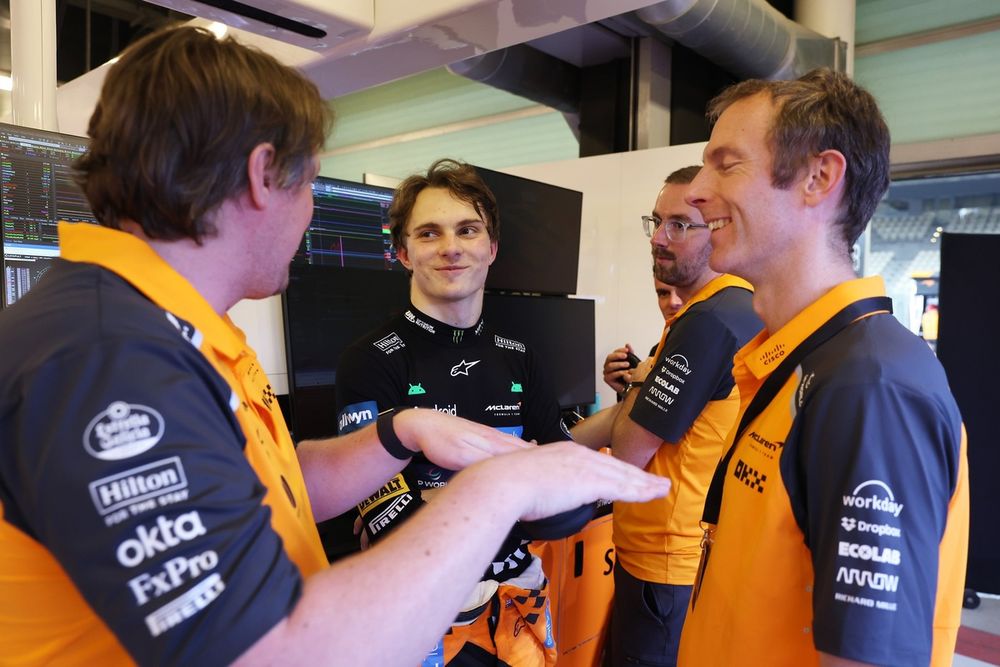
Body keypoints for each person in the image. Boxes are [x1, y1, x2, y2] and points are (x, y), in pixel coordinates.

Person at [0, 27, 671, 666]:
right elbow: (271, 650)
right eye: (311, 182)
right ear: (264, 176)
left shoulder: (175, 327)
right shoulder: (108, 357)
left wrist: (399, 432)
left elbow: (279, 486)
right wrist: (501, 489)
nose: (313, 209)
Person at [677, 68, 969, 667]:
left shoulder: (867, 388)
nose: (697, 191)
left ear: (818, 178)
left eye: (726, 164)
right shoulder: (798, 363)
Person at [335, 158, 572, 665]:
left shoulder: (521, 356)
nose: (450, 247)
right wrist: (515, 496)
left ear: (491, 248)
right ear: (403, 253)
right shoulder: (369, 359)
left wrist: (445, 499)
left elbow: (566, 497)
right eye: (428, 233)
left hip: (518, 602)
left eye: (467, 230)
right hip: (418, 613)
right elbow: (384, 511)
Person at [602, 166, 762, 667]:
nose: (660, 239)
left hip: (664, 560)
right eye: (656, 222)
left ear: (715, 227)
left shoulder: (706, 321)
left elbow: (629, 450)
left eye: (679, 225)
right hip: (686, 553)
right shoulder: (742, 306)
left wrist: (638, 382)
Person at [602, 277, 683, 395]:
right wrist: (628, 390)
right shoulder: (656, 352)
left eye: (682, 291)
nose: (672, 302)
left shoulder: (715, 355)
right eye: (663, 293)